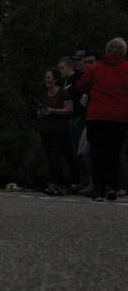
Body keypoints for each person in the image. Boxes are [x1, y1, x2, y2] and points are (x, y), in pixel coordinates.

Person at [76, 37, 128, 201]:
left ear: (107, 51)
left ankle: (98, 190)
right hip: (119, 117)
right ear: (123, 52)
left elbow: (81, 86)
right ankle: (112, 186)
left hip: (97, 115)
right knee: (114, 153)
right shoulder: (126, 69)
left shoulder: (95, 69)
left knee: (98, 153)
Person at [37, 69, 74, 195]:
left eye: (49, 77)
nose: (47, 80)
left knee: (56, 156)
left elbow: (69, 110)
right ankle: (54, 183)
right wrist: (41, 112)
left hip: (59, 129)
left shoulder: (63, 93)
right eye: (46, 77)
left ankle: (59, 183)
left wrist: (53, 110)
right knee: (50, 157)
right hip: (46, 129)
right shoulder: (43, 94)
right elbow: (40, 108)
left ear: (55, 79)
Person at [60, 53, 87, 189]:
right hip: (69, 117)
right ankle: (75, 179)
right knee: (71, 150)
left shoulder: (78, 79)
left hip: (77, 116)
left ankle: (83, 179)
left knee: (79, 149)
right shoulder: (67, 81)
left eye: (62, 68)